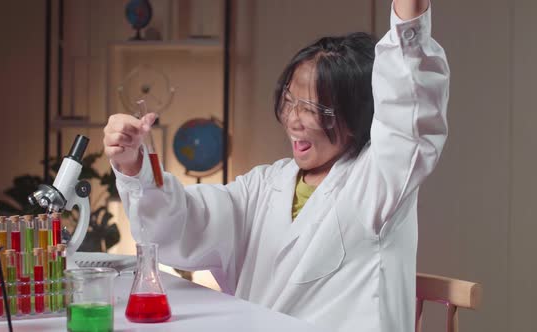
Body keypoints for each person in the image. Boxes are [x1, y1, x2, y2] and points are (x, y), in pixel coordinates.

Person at [103, 0, 449, 330]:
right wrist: (133, 164)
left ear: (357, 118)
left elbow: (407, 108)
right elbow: (183, 224)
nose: (294, 121)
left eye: (313, 109)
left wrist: (410, 17)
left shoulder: (378, 181)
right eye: (289, 102)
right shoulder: (266, 185)